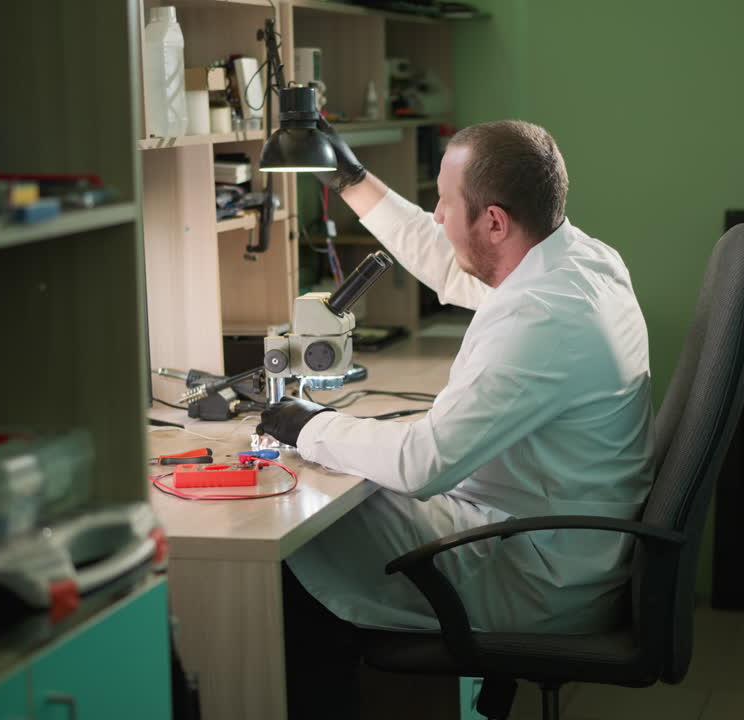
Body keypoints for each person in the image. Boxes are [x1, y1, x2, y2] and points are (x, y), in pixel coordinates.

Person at [258, 119, 654, 717]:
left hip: (536, 574)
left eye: (444, 203)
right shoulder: (578, 261)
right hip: (557, 537)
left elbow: (424, 463)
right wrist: (353, 180)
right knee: (324, 501)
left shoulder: (542, 317)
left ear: (495, 221)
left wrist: (305, 424)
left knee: (293, 530)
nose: (435, 216)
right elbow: (449, 263)